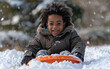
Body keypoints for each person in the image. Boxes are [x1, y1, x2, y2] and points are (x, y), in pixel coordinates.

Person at [21, 2, 86, 65]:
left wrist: (77, 53)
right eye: (51, 24)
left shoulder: (70, 33)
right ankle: (40, 64)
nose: (55, 27)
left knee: (65, 52)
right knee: (41, 52)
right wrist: (28, 56)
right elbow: (32, 46)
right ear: (47, 25)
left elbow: (78, 43)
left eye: (58, 23)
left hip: (65, 61)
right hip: (46, 61)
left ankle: (68, 62)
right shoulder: (41, 36)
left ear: (64, 24)